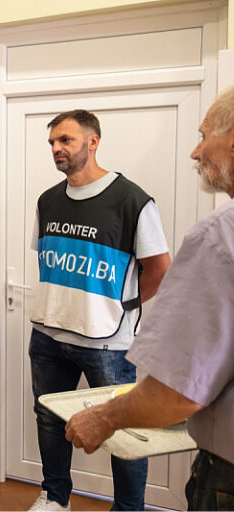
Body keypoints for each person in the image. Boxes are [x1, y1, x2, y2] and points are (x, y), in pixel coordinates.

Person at [65, 89, 234, 511]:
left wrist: (104, 418)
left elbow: (179, 391)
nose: (195, 152)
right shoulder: (50, 199)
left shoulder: (217, 239)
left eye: (204, 136)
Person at [28, 110, 171, 511]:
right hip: (48, 335)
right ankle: (55, 497)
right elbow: (49, 262)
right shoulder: (47, 200)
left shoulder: (133, 201)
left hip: (107, 342)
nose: (57, 149)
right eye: (53, 142)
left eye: (66, 140)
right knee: (49, 421)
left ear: (93, 142)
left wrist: (121, 304)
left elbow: (160, 270)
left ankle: (128, 508)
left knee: (124, 432)